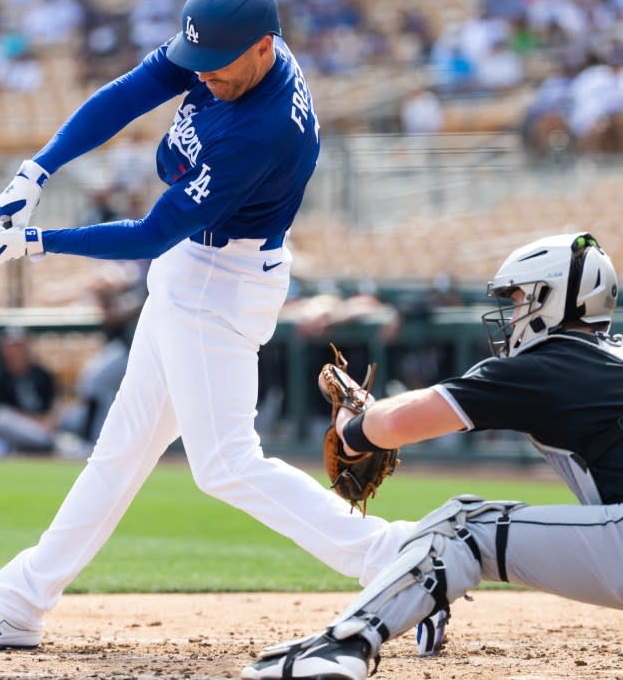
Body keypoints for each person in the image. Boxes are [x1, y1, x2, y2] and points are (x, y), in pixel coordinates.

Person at [0, 0, 414, 651]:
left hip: (220, 281)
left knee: (223, 461)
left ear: (263, 48)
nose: (203, 77)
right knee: (121, 451)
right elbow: (131, 91)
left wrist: (36, 242)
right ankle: (18, 600)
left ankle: (397, 559)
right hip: (194, 271)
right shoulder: (224, 48)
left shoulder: (261, 131)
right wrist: (37, 171)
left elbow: (149, 234)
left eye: (218, 67)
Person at [242, 232, 623, 680]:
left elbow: (396, 424)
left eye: (521, 298)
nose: (514, 312)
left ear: (554, 297)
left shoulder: (546, 366)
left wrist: (350, 428)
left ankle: (343, 647)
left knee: (463, 526)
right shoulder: (605, 357)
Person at [0, 327, 60, 459]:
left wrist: (48, 421)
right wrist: (35, 422)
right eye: (11, 347)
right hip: (17, 433)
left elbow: (52, 407)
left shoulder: (42, 375)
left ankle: (37, 446)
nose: (15, 351)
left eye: (18, 346)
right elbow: (2, 412)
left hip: (44, 427)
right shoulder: (0, 379)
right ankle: (42, 445)